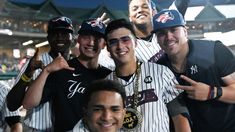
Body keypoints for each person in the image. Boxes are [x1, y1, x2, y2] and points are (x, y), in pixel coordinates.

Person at [152, 9, 235, 132]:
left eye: (174, 30)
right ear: (157, 39)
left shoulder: (214, 51)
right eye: (162, 33)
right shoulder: (158, 68)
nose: (169, 37)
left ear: (185, 31)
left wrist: (211, 92)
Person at [22, 19, 112, 131]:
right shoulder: (62, 69)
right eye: (86, 37)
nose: (91, 42)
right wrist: (47, 71)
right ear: (78, 39)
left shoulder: (108, 76)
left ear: (104, 44)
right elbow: (28, 103)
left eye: (97, 38)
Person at [104, 19, 191, 132]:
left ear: (135, 42)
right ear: (107, 48)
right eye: (113, 42)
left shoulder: (161, 72)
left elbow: (179, 117)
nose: (120, 46)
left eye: (125, 40)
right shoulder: (105, 85)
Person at [7, 16, 75, 131]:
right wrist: (28, 73)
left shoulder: (77, 65)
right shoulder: (36, 63)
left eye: (64, 33)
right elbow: (12, 105)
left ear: (72, 37)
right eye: (55, 33)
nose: (59, 37)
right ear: (48, 38)